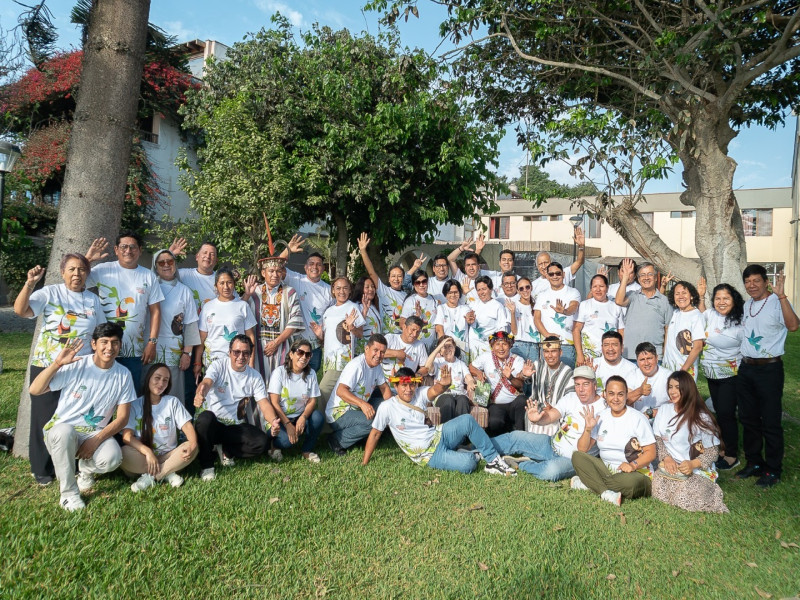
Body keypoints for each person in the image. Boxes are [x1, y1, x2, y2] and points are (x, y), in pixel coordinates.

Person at [13, 253, 106, 486]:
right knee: (44, 418)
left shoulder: (92, 300)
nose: (77, 274)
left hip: (79, 368)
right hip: (48, 365)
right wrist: (29, 284)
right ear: (63, 272)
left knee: (72, 415)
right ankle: (42, 467)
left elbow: (100, 331)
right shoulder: (50, 292)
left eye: (82, 270)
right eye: (72, 270)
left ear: (88, 274)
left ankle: (68, 463)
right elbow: (21, 311)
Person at [31, 323, 135, 512]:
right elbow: (35, 390)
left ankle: (85, 470)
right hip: (61, 431)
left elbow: (122, 418)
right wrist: (57, 364)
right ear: (93, 344)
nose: (109, 348)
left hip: (93, 433)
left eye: (114, 343)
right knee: (65, 431)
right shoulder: (77, 364)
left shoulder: (123, 375)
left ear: (120, 345)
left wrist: (95, 440)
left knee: (112, 458)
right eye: (104, 342)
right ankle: (69, 494)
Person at [362, 367, 516, 476]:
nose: (409, 389)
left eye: (412, 385)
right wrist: (365, 462)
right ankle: (471, 454)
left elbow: (435, 390)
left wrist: (444, 384)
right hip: (427, 454)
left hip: (438, 434)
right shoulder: (386, 407)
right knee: (469, 464)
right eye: (404, 385)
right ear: (396, 386)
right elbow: (375, 434)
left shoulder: (419, 393)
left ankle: (493, 460)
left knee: (467, 420)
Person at [736, 266, 798, 488]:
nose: (752, 285)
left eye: (756, 281)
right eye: (748, 282)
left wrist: (782, 296)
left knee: (770, 421)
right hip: (746, 368)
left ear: (765, 282)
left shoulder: (776, 302)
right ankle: (754, 462)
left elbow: (793, 326)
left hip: (769, 370)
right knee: (748, 418)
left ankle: (773, 470)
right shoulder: (747, 304)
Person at [193, 335, 280, 481]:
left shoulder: (254, 376)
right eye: (236, 352)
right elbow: (206, 382)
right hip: (214, 424)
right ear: (229, 352)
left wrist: (273, 422)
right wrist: (200, 393)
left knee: (262, 443)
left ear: (250, 355)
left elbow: (264, 403)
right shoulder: (218, 366)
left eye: (246, 353)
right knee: (204, 419)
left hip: (235, 427)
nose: (241, 356)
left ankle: (226, 449)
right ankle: (207, 466)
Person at [85, 232, 163, 394]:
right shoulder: (102, 270)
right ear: (116, 249)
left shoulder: (148, 276)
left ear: (140, 250)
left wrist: (152, 342)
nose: (128, 250)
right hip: (104, 348)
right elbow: (74, 279)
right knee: (101, 397)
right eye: (124, 247)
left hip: (134, 351)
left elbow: (155, 312)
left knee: (131, 398)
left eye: (133, 247)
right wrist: (89, 260)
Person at [571, 376, 657, 506]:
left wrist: (633, 465)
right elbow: (582, 449)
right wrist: (588, 429)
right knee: (577, 456)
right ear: (605, 394)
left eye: (620, 394)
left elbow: (651, 453)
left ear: (626, 395)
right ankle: (605, 492)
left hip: (636, 473)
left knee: (631, 484)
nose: (615, 399)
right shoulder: (602, 416)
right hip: (608, 469)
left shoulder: (638, 418)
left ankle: (590, 483)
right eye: (611, 394)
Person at [651, 371, 728, 513]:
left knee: (683, 496)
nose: (672, 391)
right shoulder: (663, 410)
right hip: (671, 467)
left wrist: (692, 464)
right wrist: (666, 458)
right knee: (658, 489)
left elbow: (712, 451)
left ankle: (707, 490)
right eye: (670, 387)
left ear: (687, 389)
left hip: (695, 469)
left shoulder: (701, 416)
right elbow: (658, 440)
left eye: (677, 387)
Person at [515, 366, 605, 481]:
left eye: (586, 384)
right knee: (516, 437)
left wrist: (588, 429)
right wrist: (537, 420)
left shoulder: (603, 409)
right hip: (551, 444)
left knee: (550, 472)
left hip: (573, 460)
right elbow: (551, 416)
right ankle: (487, 451)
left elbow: (583, 450)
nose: (581, 389)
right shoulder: (571, 397)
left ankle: (522, 464)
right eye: (577, 384)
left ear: (595, 385)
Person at [120, 363, 199, 491]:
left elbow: (188, 427)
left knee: (191, 447)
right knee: (123, 453)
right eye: (157, 378)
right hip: (144, 457)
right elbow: (127, 437)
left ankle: (152, 476)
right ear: (148, 378)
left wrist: (193, 444)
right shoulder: (135, 404)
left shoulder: (172, 402)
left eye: (165, 380)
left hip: (169, 455)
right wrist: (148, 452)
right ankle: (168, 472)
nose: (161, 383)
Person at [700, 283, 745, 470]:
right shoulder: (711, 314)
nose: (721, 302)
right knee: (719, 412)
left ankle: (732, 455)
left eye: (726, 298)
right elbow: (702, 319)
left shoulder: (741, 320)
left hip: (731, 375)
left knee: (726, 414)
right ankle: (722, 448)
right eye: (717, 298)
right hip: (711, 373)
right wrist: (701, 297)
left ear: (734, 299)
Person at [325, 334, 393, 455]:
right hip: (340, 412)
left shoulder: (376, 366)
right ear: (367, 349)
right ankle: (337, 440)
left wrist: (392, 410)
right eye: (375, 350)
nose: (378, 355)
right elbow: (341, 391)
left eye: (382, 352)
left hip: (356, 407)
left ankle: (378, 432)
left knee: (385, 405)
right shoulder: (356, 366)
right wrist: (363, 404)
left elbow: (384, 388)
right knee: (373, 423)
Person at [149, 249, 200, 407]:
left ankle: (173, 429)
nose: (166, 265)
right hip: (149, 349)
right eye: (161, 262)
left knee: (172, 391)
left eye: (170, 262)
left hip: (174, 351)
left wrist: (187, 353)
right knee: (148, 389)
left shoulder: (184, 291)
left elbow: (190, 324)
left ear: (175, 265)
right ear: (155, 266)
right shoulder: (149, 286)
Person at [279, 235, 333, 372]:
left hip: (314, 347)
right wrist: (288, 251)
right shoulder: (297, 279)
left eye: (319, 264)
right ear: (305, 267)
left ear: (323, 268)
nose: (315, 267)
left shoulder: (329, 290)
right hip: (295, 344)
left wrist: (323, 337)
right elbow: (275, 267)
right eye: (311, 263)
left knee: (311, 382)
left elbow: (333, 317)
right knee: (292, 380)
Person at [247, 255, 304, 385]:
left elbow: (294, 322)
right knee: (257, 383)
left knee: (281, 383)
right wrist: (246, 295)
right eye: (271, 271)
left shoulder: (290, 292)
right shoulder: (254, 292)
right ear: (263, 273)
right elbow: (240, 312)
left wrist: (276, 343)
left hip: (282, 346)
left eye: (278, 271)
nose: (275, 274)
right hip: (257, 347)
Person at [268, 339, 325, 463]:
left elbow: (312, 401)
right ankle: (274, 446)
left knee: (318, 417)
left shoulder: (311, 374)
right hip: (280, 418)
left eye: (308, 354)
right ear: (291, 354)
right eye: (300, 352)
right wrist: (288, 424)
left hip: (299, 416)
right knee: (286, 442)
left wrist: (303, 417)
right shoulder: (279, 372)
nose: (304, 357)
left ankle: (307, 450)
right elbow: (274, 403)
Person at [469, 331, 534, 436]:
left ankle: (520, 438)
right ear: (492, 346)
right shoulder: (486, 357)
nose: (501, 348)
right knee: (495, 423)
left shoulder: (517, 360)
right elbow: (471, 366)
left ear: (510, 345)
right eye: (497, 344)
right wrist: (479, 373)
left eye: (504, 344)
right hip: (496, 405)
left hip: (513, 404)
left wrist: (510, 377)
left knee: (522, 400)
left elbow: (520, 385)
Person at [358, 232, 422, 335]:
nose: (396, 279)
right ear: (388, 278)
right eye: (393, 276)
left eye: (399, 276)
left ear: (403, 278)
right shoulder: (383, 291)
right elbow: (371, 272)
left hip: (403, 338)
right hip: (386, 338)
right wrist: (363, 251)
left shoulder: (408, 297)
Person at [198, 267, 257, 374]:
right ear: (216, 286)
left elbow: (250, 336)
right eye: (222, 283)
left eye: (229, 282)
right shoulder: (208, 307)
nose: (226, 287)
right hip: (212, 362)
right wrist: (197, 363)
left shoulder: (243, 306)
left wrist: (251, 361)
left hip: (238, 361)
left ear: (234, 284)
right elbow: (202, 337)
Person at [315, 277, 365, 402]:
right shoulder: (328, 311)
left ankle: (322, 421)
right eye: (338, 288)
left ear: (350, 291)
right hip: (328, 361)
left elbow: (360, 334)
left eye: (345, 288)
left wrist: (352, 327)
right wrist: (320, 335)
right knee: (334, 397)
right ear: (333, 290)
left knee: (322, 391)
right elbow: (328, 338)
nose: (341, 291)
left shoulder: (353, 308)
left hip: (342, 360)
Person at [614, 258, 671, 361]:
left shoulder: (665, 301)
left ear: (655, 278)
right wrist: (625, 277)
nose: (646, 278)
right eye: (642, 275)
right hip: (631, 355)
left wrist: (666, 353)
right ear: (639, 279)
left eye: (650, 274)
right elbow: (618, 301)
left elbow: (668, 329)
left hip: (654, 357)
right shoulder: (632, 296)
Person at [533, 261, 581, 368]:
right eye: (551, 274)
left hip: (566, 345)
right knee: (547, 381)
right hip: (547, 345)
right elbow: (537, 318)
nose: (555, 276)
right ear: (547, 276)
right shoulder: (542, 295)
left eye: (558, 273)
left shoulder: (573, 292)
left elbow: (573, 308)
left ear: (563, 274)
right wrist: (547, 335)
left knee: (566, 380)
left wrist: (564, 311)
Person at [526, 337, 574, 435]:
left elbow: (570, 399)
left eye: (553, 351)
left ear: (560, 352)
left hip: (558, 414)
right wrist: (523, 376)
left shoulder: (568, 372)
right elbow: (524, 383)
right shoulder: (537, 365)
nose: (550, 355)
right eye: (546, 351)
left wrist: (554, 409)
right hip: (537, 410)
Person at [573, 273, 625, 365]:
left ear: (607, 288)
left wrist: (620, 351)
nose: (598, 290)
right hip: (589, 356)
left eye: (601, 286)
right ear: (591, 289)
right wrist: (580, 354)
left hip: (611, 355)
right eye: (594, 286)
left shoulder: (616, 307)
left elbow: (621, 331)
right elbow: (576, 330)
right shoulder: (584, 305)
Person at [423, 336, 476, 423]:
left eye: (450, 346)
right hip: (442, 395)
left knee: (463, 400)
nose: (448, 349)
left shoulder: (461, 364)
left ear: (454, 348)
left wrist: (470, 382)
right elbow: (427, 366)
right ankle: (448, 431)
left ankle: (462, 432)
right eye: (444, 346)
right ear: (440, 350)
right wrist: (439, 346)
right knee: (448, 399)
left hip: (460, 394)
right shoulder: (437, 362)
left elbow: (469, 378)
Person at [662, 280, 705, 380]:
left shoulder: (696, 316)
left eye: (684, 293)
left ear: (691, 296)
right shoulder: (675, 313)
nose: (680, 296)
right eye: (677, 294)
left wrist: (683, 370)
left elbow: (698, 347)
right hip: (668, 369)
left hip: (685, 371)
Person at [529, 228, 586, 297]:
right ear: (537, 266)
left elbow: (579, 262)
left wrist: (581, 246)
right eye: (540, 264)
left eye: (546, 262)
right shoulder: (533, 285)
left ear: (551, 262)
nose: (543, 266)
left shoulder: (561, 274)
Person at [466, 276, 509, 361]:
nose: (481, 292)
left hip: (488, 350)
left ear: (491, 289)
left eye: (484, 289)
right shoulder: (472, 304)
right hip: (472, 349)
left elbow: (502, 330)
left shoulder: (498, 306)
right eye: (478, 290)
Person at [382, 316, 430, 392]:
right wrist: (397, 353)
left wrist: (417, 374)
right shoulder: (390, 338)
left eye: (418, 332)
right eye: (413, 330)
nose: (414, 334)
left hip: (407, 390)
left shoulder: (420, 345)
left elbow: (425, 368)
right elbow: (376, 353)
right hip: (385, 388)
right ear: (404, 327)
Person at [627, 342, 670, 418]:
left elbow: (678, 405)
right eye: (642, 359)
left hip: (663, 418)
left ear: (657, 358)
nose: (646, 363)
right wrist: (639, 391)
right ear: (637, 361)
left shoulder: (669, 377)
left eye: (649, 358)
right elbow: (624, 402)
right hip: (638, 420)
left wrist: (654, 413)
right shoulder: (631, 376)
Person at [400, 269, 438, 350]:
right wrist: (416, 317)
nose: (421, 285)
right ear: (414, 285)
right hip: (415, 345)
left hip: (431, 346)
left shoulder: (434, 300)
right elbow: (402, 324)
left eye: (424, 281)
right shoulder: (410, 300)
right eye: (417, 282)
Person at [508, 276, 540, 368]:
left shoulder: (537, 305)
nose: (525, 290)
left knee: (533, 377)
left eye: (527, 287)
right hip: (518, 344)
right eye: (521, 288)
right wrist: (513, 313)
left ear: (531, 287)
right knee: (518, 376)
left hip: (534, 345)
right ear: (517, 291)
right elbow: (514, 331)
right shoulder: (514, 305)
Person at [433, 280, 471, 355]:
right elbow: (439, 329)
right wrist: (443, 348)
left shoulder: (465, 308)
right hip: (447, 349)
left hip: (463, 350)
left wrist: (470, 317)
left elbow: (469, 318)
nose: (453, 295)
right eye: (450, 292)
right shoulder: (441, 308)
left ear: (460, 293)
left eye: (456, 292)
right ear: (445, 294)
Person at [447, 235, 487, 306]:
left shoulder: (485, 280)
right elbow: (450, 259)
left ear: (478, 267)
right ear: (465, 267)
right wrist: (461, 248)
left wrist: (478, 250)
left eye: (473, 265)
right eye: (468, 265)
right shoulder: (460, 278)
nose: (471, 268)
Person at [351, 276, 382, 356]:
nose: (371, 289)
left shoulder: (373, 306)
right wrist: (364, 311)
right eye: (367, 287)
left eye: (372, 286)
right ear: (361, 289)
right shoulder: (356, 306)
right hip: (362, 351)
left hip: (374, 350)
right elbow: (356, 328)